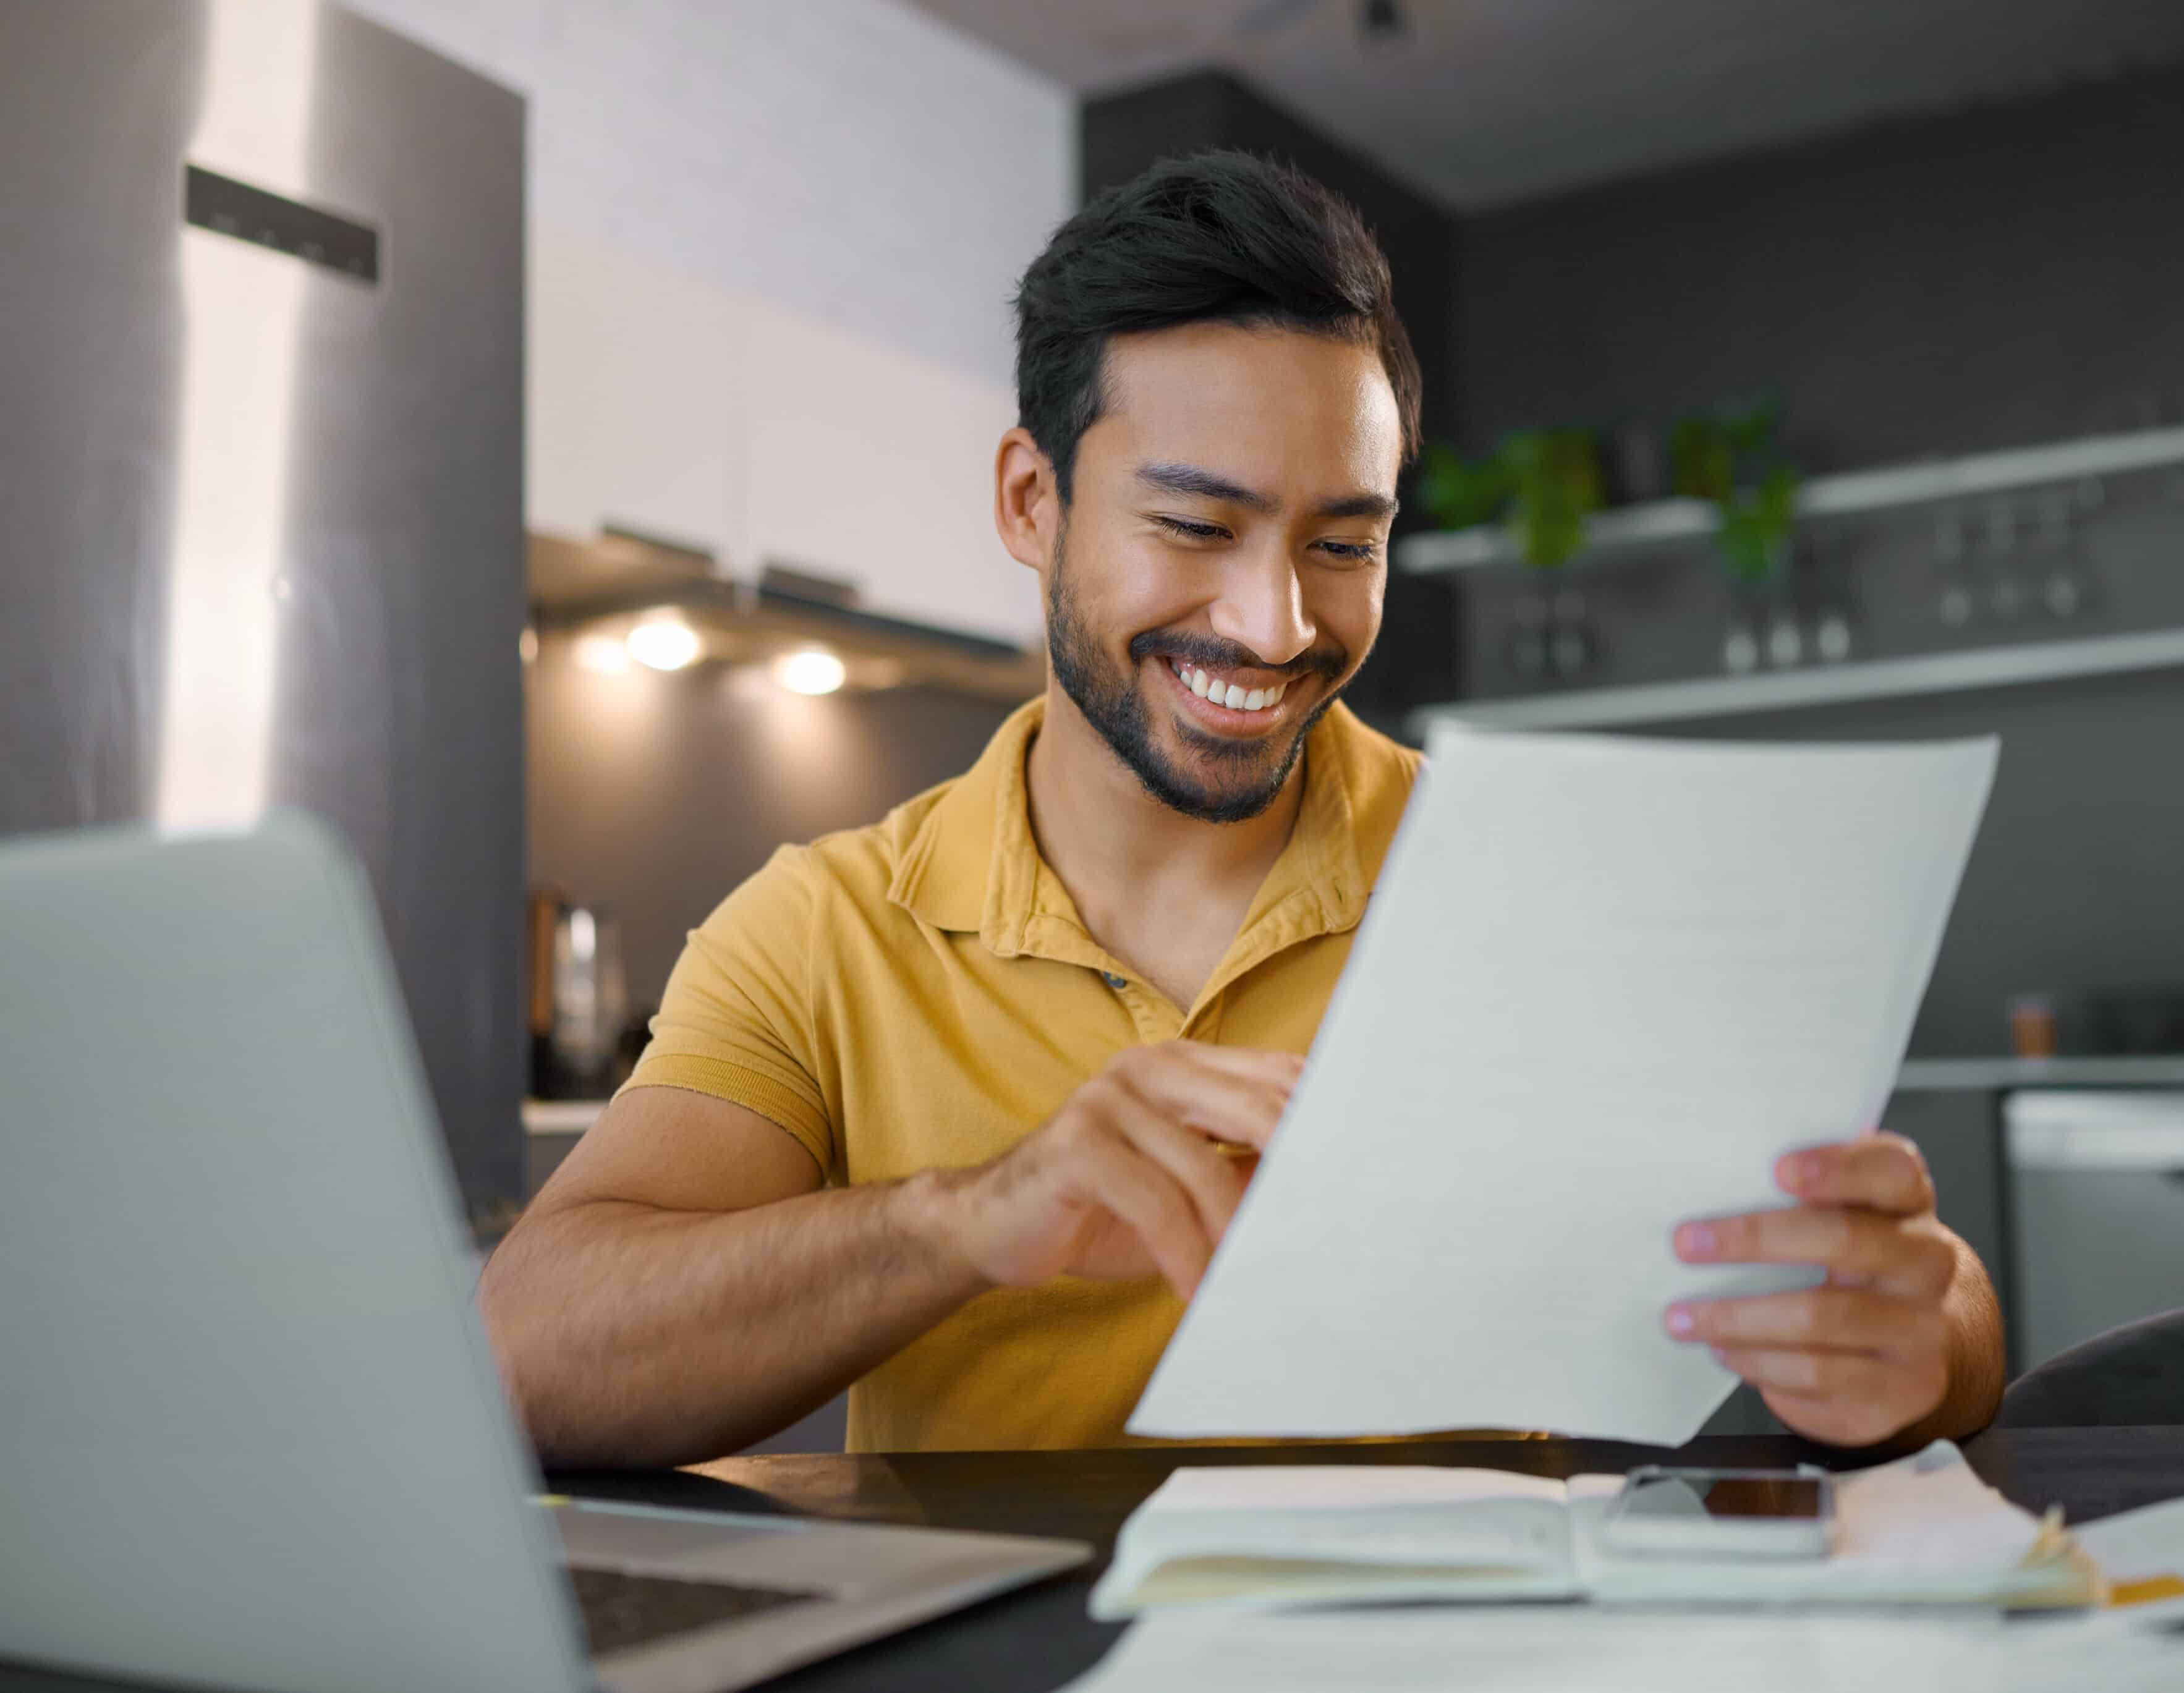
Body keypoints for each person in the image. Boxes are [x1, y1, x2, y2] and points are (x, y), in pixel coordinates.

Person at [478, 150, 2005, 1466]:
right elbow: (527, 1354)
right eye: (1194, 524)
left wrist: (1914, 1328)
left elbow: (1941, 1310)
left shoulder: (1537, 876)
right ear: (1031, 501)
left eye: (1343, 544)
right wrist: (962, 1217)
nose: (1275, 625)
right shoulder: (816, 928)